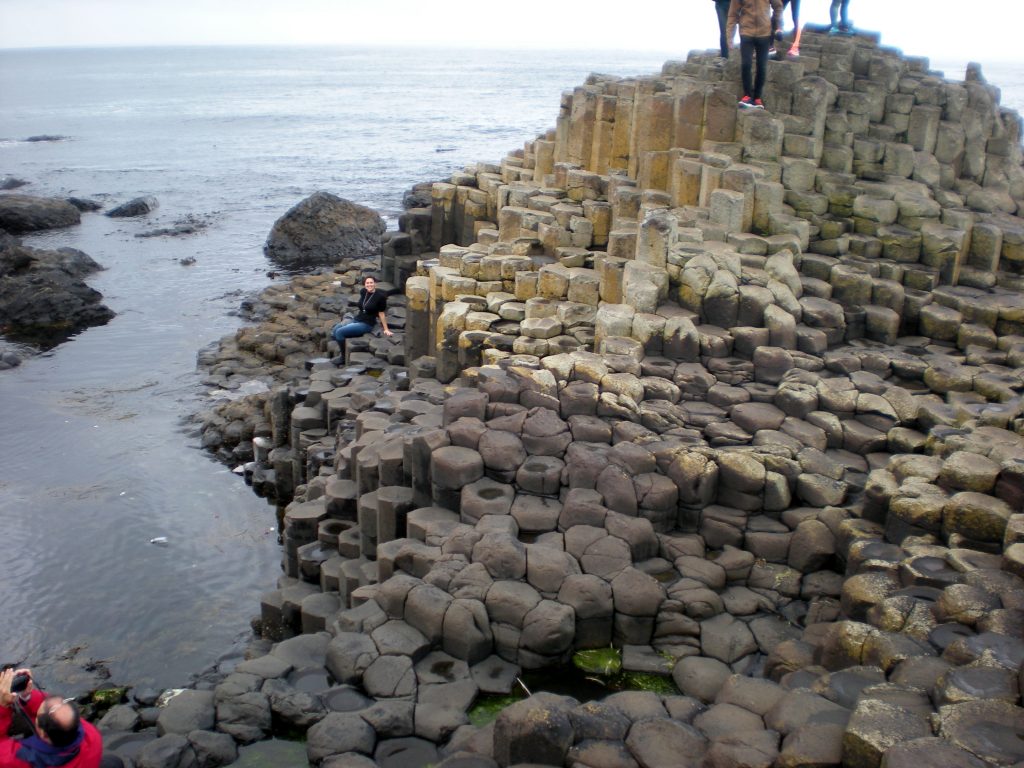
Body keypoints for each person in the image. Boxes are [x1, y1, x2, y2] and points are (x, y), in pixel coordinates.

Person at [0, 667, 120, 768]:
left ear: (43, 734)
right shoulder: (92, 735)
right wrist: (26, 696)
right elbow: (53, 710)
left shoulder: (19, 759)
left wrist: (3, 706)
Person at [727, 0, 783, 110]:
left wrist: (779, 26)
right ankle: (747, 95)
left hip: (764, 33)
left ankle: (757, 98)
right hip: (746, 32)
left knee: (762, 67)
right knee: (746, 64)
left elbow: (778, 6)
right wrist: (730, 37)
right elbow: (733, 14)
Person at [330, 276, 392, 344]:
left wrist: (386, 329)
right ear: (364, 284)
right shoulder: (363, 291)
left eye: (371, 282)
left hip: (367, 324)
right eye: (367, 283)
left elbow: (381, 313)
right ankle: (337, 344)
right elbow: (364, 305)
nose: (369, 285)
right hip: (356, 319)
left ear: (375, 283)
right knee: (335, 329)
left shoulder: (380, 297)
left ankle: (343, 351)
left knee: (339, 332)